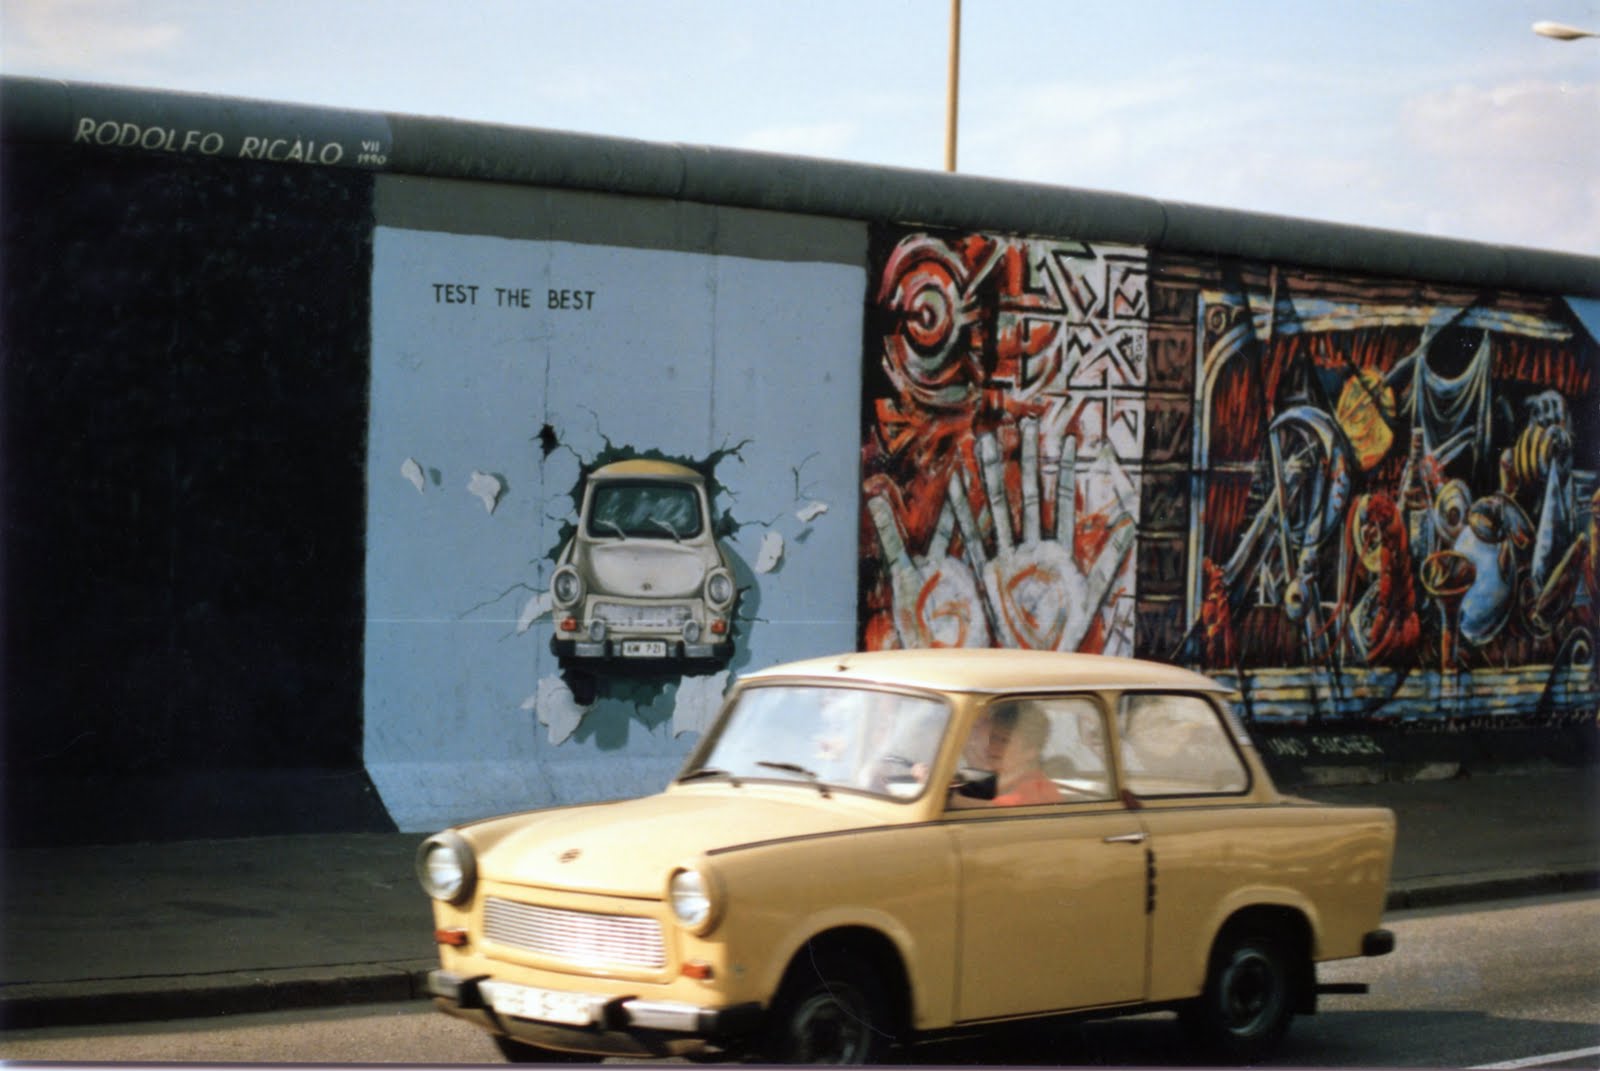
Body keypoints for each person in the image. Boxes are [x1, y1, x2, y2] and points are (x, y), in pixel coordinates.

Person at [983, 702, 1063, 806]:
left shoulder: (1037, 792)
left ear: (1031, 750)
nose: (992, 746)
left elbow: (992, 810)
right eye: (993, 737)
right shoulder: (997, 779)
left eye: (1004, 741)